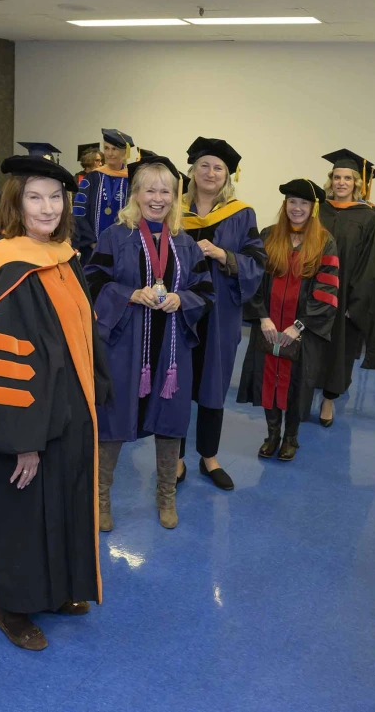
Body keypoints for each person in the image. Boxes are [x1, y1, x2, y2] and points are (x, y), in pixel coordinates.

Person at [0, 153, 108, 652]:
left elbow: (82, 335)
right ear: (16, 202)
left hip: (65, 413)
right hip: (23, 423)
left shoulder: (62, 257)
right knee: (20, 510)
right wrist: (22, 443)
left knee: (57, 502)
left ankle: (55, 590)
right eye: (35, 196)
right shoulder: (8, 265)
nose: (48, 207)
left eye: (56, 197)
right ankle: (10, 607)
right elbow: (5, 363)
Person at [85, 156, 215, 531]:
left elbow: (204, 291)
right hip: (125, 348)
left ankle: (165, 497)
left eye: (166, 191)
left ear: (175, 197)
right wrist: (129, 294)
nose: (158, 198)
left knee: (171, 421)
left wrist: (181, 299)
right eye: (150, 190)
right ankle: (101, 499)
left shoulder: (185, 243)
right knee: (113, 420)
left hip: (171, 350)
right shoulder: (115, 236)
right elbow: (92, 283)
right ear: (136, 194)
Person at [178, 137, 266, 490]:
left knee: (213, 383)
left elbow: (257, 261)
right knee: (178, 380)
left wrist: (223, 255)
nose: (210, 172)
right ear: (193, 170)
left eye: (218, 167)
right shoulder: (173, 208)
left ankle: (209, 457)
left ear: (228, 175)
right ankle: (177, 457)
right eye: (204, 165)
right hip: (180, 309)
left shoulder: (242, 213)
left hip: (220, 313)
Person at [237, 179, 337, 461]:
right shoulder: (269, 236)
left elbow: (327, 290)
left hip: (301, 330)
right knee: (268, 380)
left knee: (296, 384)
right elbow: (253, 279)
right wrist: (262, 317)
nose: (297, 208)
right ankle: (271, 435)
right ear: (285, 205)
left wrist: (299, 325)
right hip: (269, 326)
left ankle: (291, 438)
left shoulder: (324, 242)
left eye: (303, 203)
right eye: (292, 202)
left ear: (313, 208)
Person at [315, 149, 375, 427]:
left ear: (357, 183)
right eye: (337, 177)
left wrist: (356, 303)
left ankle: (328, 400)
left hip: (345, 296)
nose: (341, 182)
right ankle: (302, 395)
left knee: (339, 350)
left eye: (348, 178)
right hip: (314, 292)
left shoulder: (369, 217)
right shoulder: (317, 209)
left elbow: (372, 264)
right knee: (311, 344)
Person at [73, 128, 133, 262]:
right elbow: (78, 212)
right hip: (92, 249)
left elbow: (136, 214)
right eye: (106, 148)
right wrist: (92, 242)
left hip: (123, 249)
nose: (110, 153)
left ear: (124, 152)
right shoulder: (91, 178)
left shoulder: (131, 180)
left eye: (114, 149)